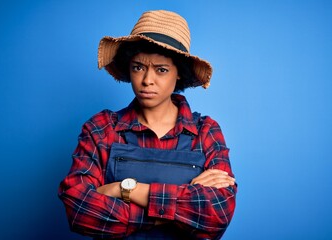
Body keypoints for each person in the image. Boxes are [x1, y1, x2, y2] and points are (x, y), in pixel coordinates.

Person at [58, 10, 237, 239]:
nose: (146, 80)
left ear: (179, 74)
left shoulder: (206, 131)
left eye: (161, 70)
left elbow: (217, 214)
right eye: (138, 67)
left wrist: (124, 189)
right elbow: (80, 211)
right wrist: (179, 210)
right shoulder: (102, 128)